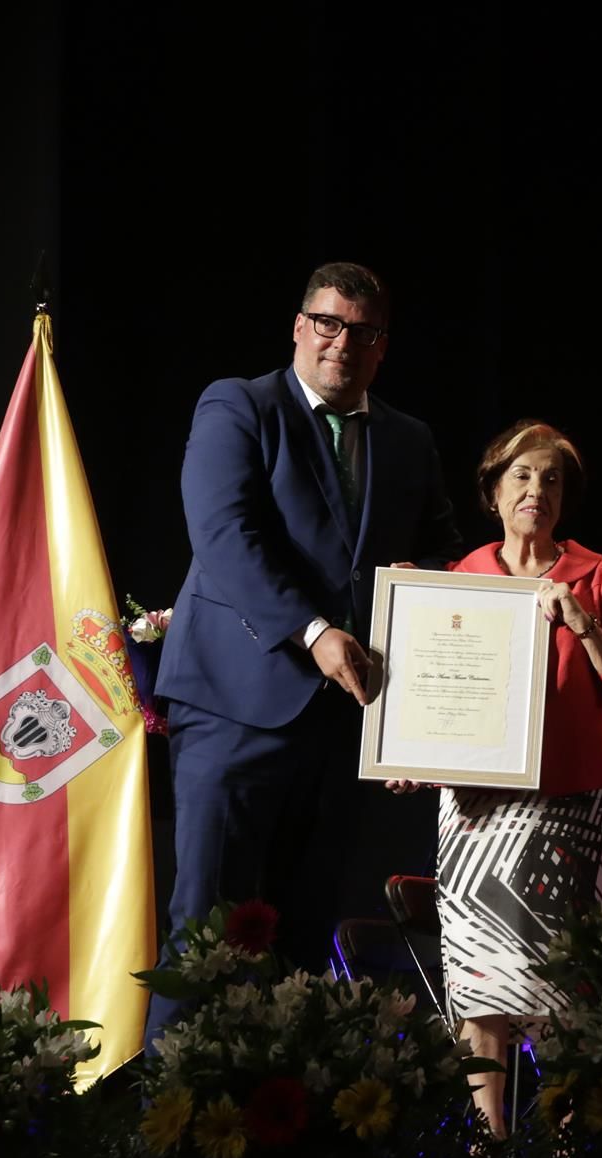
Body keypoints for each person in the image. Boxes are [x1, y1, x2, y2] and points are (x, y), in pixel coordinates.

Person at [153, 262, 461, 1037]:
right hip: (234, 707)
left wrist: (428, 710)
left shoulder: (408, 439)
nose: (340, 343)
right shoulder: (240, 406)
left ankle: (281, 1124)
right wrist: (316, 632)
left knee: (304, 931)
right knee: (206, 926)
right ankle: (160, 1130)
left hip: (341, 724)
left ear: (382, 345)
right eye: (326, 322)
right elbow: (225, 537)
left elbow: (441, 567)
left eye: (362, 331)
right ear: (298, 326)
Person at [388, 421, 602, 1138]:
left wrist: (584, 620)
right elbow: (430, 696)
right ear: (493, 490)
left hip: (571, 803)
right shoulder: (459, 578)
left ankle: (563, 1144)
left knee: (568, 983)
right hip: (479, 813)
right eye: (523, 476)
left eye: (552, 479)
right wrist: (410, 751)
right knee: (481, 981)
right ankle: (488, 1143)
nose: (537, 489)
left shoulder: (595, 573)